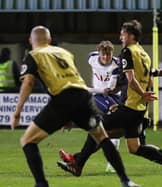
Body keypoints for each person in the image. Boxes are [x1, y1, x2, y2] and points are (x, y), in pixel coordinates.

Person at [11, 25, 139, 187]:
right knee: (102, 137)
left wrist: (17, 113)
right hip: (84, 97)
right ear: (49, 40)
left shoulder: (33, 55)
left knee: (27, 140)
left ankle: (41, 184)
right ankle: (126, 181)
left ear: (31, 41)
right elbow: (74, 77)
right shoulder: (64, 53)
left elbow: (28, 82)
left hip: (63, 98)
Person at [57, 20, 162, 178]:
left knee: (98, 130)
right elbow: (154, 72)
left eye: (123, 33)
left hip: (129, 107)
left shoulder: (127, 52)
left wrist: (141, 92)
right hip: (139, 111)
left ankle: (77, 164)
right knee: (135, 148)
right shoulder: (143, 54)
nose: (121, 37)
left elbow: (130, 79)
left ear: (131, 35)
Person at [87, 40, 122, 173]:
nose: (106, 57)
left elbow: (114, 86)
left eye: (108, 55)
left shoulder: (116, 64)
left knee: (114, 127)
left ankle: (111, 162)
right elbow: (91, 54)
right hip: (98, 95)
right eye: (103, 54)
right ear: (99, 53)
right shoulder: (92, 59)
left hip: (114, 95)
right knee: (111, 113)